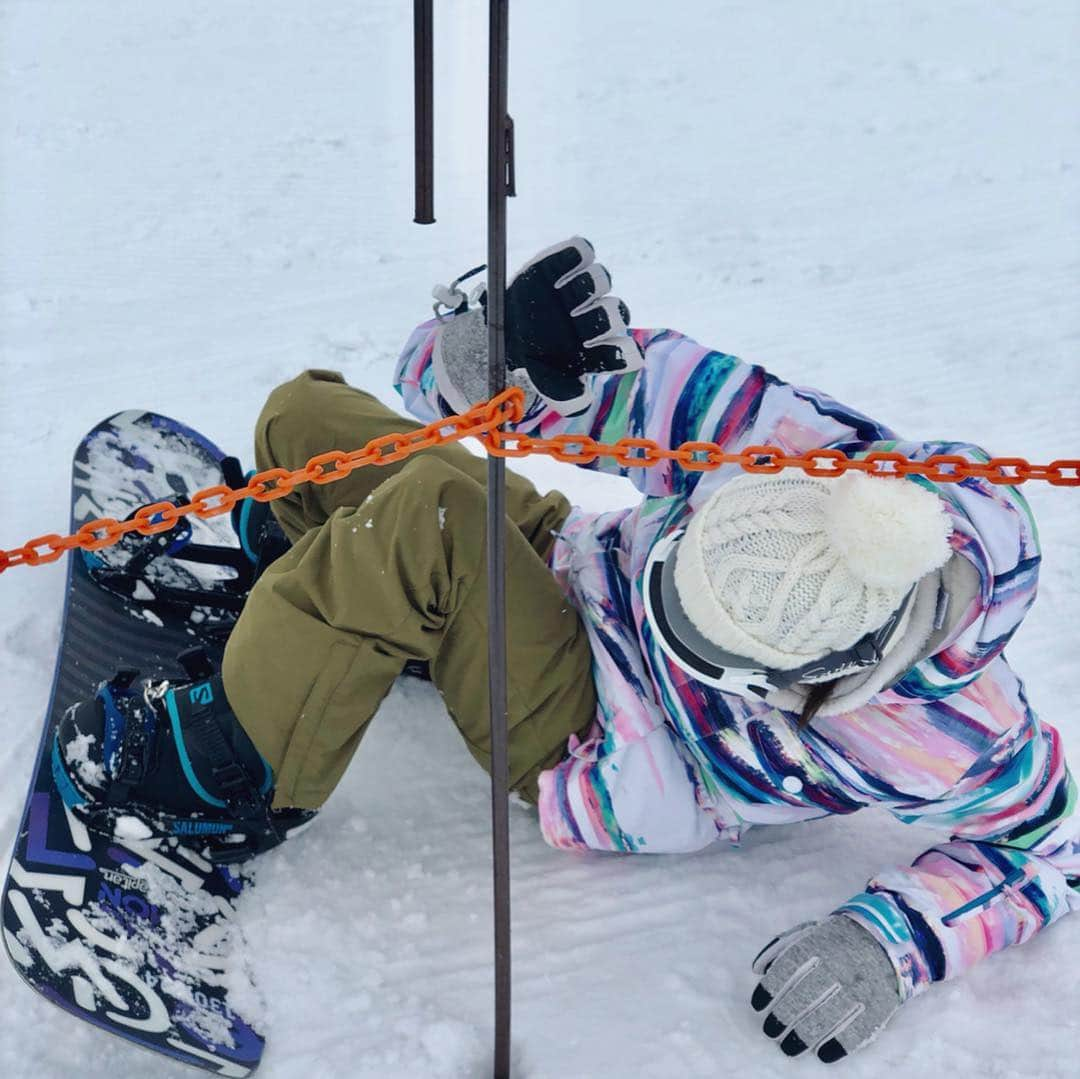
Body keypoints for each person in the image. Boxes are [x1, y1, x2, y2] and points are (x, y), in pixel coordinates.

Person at [58, 238, 1080, 1064]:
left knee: (433, 518)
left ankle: (217, 773)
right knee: (305, 416)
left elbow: (1049, 847)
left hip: (602, 736)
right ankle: (324, 587)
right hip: (580, 571)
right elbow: (627, 392)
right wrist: (488, 361)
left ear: (822, 675)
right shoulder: (823, 461)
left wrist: (888, 941)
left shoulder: (958, 736)